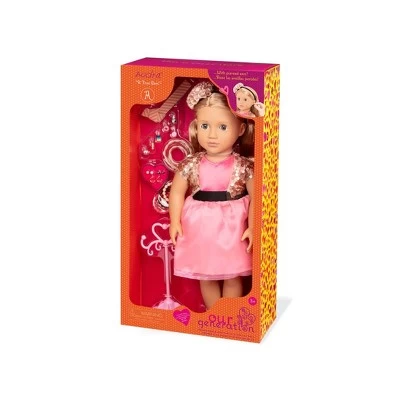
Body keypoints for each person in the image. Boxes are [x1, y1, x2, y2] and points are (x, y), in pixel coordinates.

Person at [169, 81, 254, 310]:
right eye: (205, 126)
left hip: (232, 229)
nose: (212, 135)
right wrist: (175, 221)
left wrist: (254, 226)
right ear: (196, 126)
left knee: (233, 275)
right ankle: (212, 315)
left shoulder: (243, 165)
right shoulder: (192, 163)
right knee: (206, 276)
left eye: (223, 127)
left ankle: (228, 315)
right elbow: (177, 191)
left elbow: (258, 197)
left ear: (241, 129)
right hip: (201, 228)